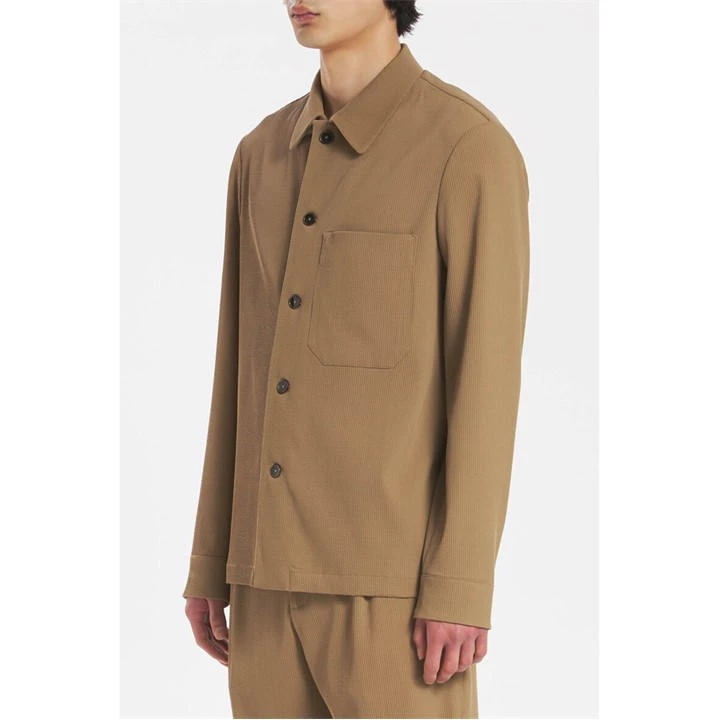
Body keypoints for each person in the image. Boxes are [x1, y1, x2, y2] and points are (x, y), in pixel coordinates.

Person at [183, 1, 530, 717]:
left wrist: (460, 586)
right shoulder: (259, 156)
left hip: (395, 598)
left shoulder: (467, 148)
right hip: (261, 585)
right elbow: (237, 374)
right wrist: (211, 559)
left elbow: (486, 387)